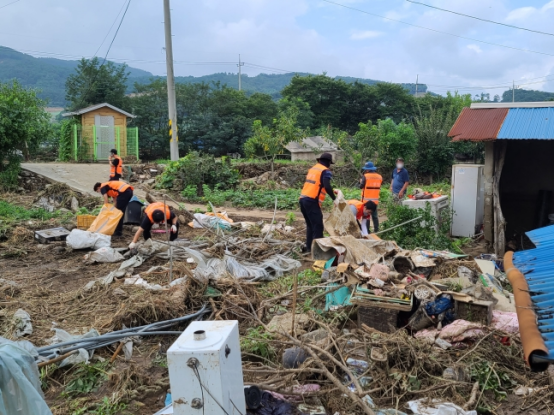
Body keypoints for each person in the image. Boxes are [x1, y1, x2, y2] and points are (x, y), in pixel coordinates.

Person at [299, 152, 339, 253]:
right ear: (329, 162)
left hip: (303, 199)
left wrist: (330, 190)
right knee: (318, 226)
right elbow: (326, 185)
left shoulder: (313, 169)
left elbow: (317, 185)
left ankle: (309, 248)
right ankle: (318, 252)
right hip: (312, 200)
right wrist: (335, 198)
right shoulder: (325, 171)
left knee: (310, 225)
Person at [359, 161, 382, 232]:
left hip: (366, 201)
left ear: (368, 169)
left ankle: (367, 231)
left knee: (366, 216)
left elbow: (361, 186)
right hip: (375, 200)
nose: (365, 170)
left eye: (366, 169)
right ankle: (377, 230)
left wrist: (360, 182)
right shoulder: (379, 177)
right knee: (374, 216)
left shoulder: (365, 176)